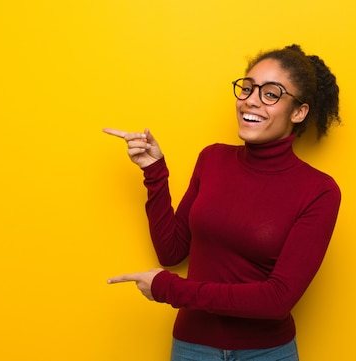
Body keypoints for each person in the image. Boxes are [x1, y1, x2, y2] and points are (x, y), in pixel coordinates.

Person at [103, 44, 341, 361]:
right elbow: (172, 252)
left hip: (267, 353)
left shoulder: (319, 191)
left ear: (298, 112)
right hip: (192, 348)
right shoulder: (212, 159)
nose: (251, 100)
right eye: (247, 88)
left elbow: (277, 299)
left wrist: (169, 289)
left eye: (271, 93)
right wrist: (154, 172)